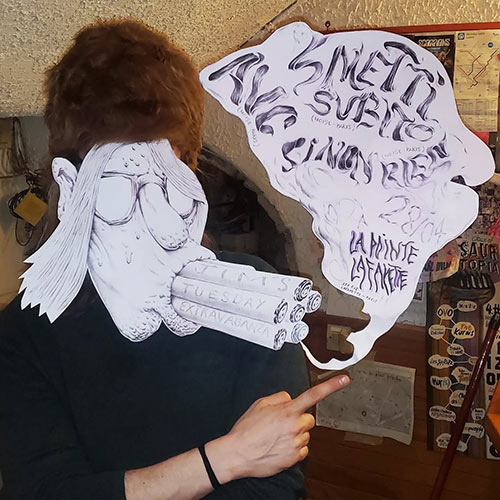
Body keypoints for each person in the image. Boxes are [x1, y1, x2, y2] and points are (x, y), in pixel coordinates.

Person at [0, 19, 349, 500]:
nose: (165, 226)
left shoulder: (256, 299)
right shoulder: (25, 335)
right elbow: (45, 492)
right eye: (125, 184)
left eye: (172, 179)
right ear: (73, 185)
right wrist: (225, 458)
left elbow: (274, 487)